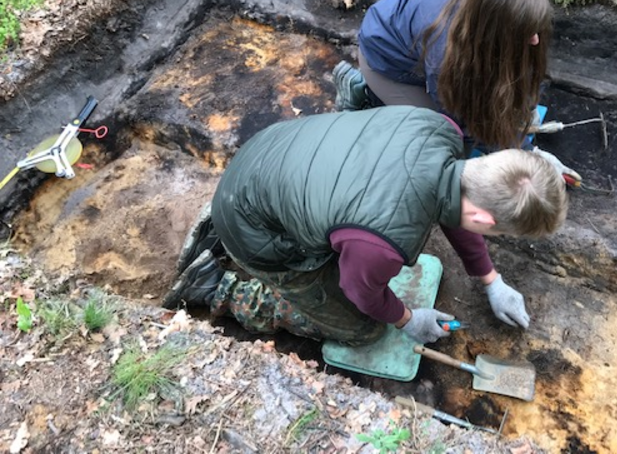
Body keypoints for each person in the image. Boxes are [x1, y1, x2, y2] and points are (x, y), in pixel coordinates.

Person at [163, 106, 568, 346]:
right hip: (254, 227)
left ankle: (227, 214)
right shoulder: (381, 244)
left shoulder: (439, 128)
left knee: (340, 234)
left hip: (270, 155)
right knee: (365, 330)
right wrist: (409, 321)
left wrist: (490, 279)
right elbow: (360, 291)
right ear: (485, 219)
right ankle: (221, 286)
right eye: (496, 232)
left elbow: (457, 201)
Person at [333, 0, 553, 151]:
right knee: (447, 137)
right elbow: (469, 120)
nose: (535, 39)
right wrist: (524, 152)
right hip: (384, 58)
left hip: (417, 38)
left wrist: (519, 110)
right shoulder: (445, 54)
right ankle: (364, 93)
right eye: (525, 32)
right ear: (492, 32)